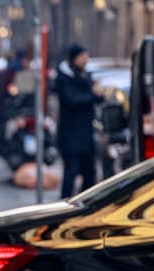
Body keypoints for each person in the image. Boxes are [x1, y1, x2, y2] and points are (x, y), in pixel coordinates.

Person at [56, 43, 103, 198]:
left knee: (90, 174)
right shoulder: (64, 78)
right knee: (71, 173)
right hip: (71, 135)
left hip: (87, 134)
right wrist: (93, 95)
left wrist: (98, 94)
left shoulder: (86, 75)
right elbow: (71, 100)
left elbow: (96, 97)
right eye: (83, 56)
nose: (86, 60)